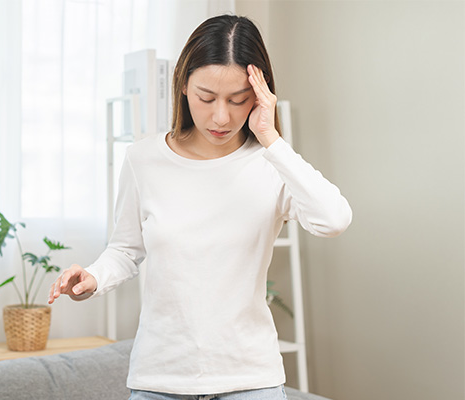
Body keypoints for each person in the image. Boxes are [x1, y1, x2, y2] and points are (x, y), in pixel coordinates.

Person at [48, 14, 352, 400]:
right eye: (206, 98)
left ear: (259, 96)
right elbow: (125, 250)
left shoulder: (271, 164)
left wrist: (272, 139)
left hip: (250, 379)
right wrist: (92, 278)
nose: (221, 117)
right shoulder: (144, 159)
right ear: (182, 86)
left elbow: (334, 219)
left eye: (238, 100)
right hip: (160, 377)